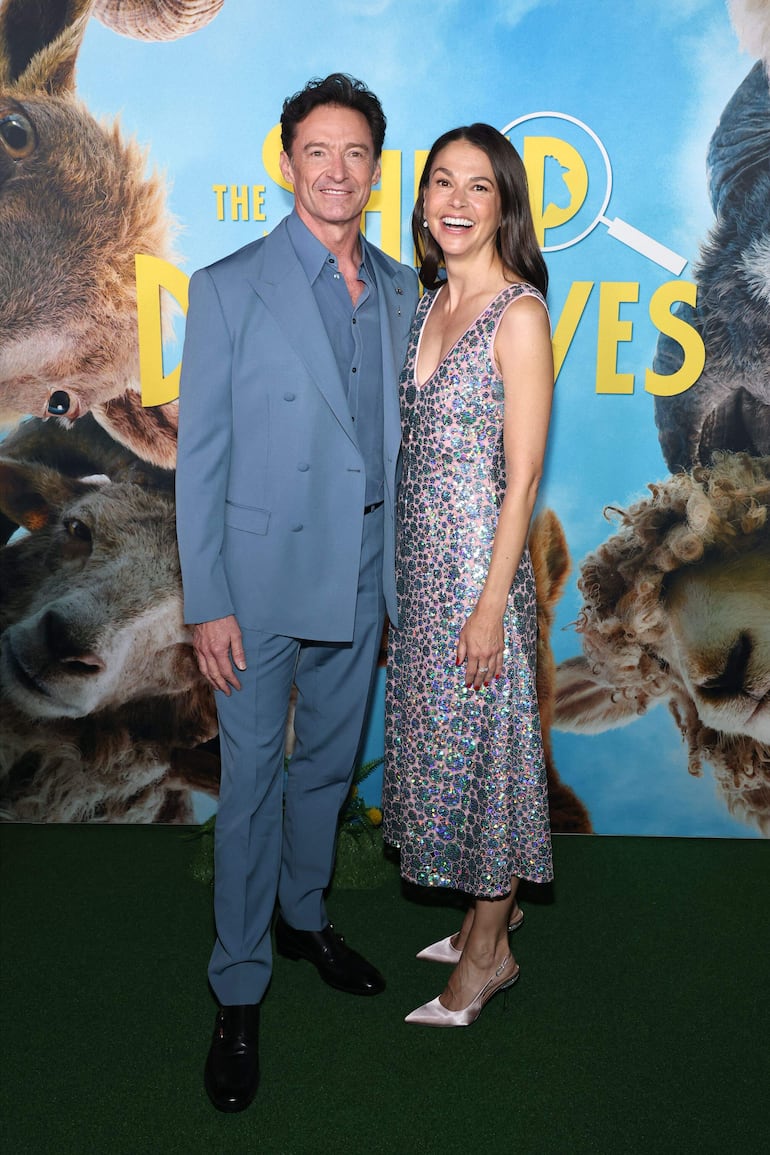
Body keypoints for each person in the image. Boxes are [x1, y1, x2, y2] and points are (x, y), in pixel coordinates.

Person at [175, 73, 419, 1109]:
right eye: (317, 151)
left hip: (365, 575)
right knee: (252, 790)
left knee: (325, 769)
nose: (336, 170)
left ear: (375, 167)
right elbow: (201, 460)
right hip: (259, 584)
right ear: (286, 162)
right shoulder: (228, 286)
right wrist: (205, 600)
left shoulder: (408, 290)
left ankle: (305, 915)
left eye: (355, 153)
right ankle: (238, 990)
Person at [382, 123, 555, 1027]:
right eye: (440, 183)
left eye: (477, 187)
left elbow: (522, 475)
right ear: (421, 201)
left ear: (504, 205)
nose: (454, 201)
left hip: (478, 579)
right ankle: (492, 907)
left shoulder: (517, 314)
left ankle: (488, 956)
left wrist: (492, 607)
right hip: (422, 570)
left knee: (488, 759)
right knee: (448, 751)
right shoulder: (431, 301)